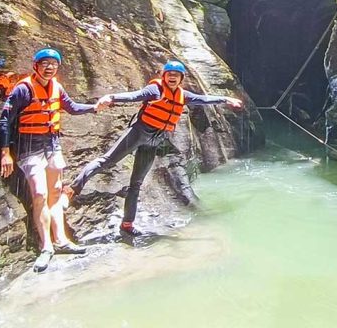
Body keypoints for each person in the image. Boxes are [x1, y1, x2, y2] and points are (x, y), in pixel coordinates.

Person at [64, 60, 244, 236]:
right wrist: (112, 97)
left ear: (181, 79)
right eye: (169, 74)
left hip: (154, 142)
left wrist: (226, 99)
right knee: (107, 161)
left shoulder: (184, 95)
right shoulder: (155, 89)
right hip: (138, 133)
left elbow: (203, 99)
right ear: (164, 76)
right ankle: (72, 189)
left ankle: (127, 224)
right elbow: (134, 95)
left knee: (136, 183)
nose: (172, 77)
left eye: (176, 75)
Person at [0, 48, 95, 272]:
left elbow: (72, 108)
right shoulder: (23, 89)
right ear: (35, 66)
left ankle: (60, 240)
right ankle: (46, 247)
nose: (49, 67)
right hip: (29, 148)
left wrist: (95, 107)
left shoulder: (56, 87)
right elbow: (4, 121)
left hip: (51, 145)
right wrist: (5, 153)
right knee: (39, 194)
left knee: (56, 193)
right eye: (45, 63)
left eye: (53, 64)